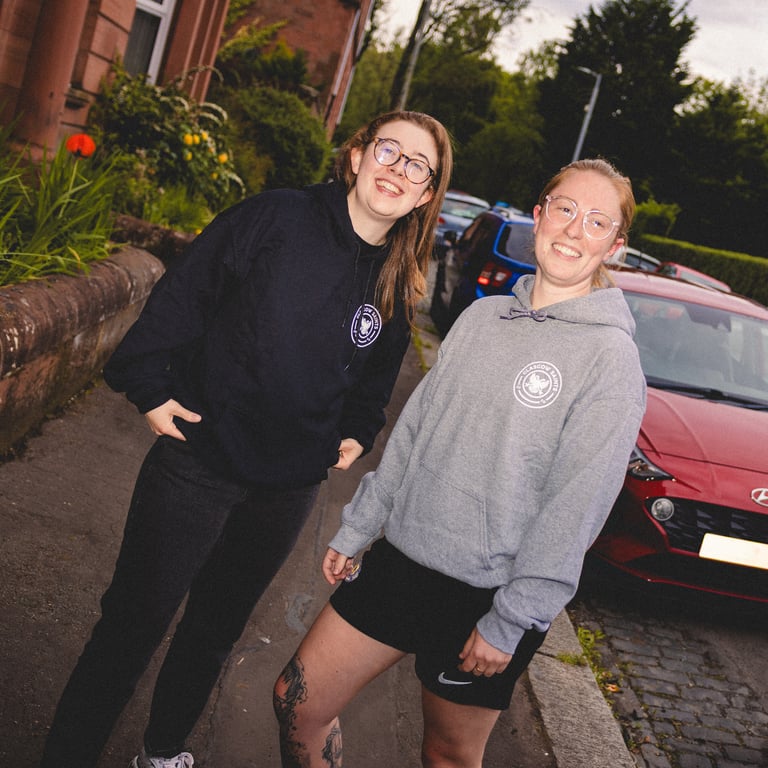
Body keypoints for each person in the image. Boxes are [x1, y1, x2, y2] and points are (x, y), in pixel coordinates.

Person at [39, 110, 453, 768]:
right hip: (198, 462)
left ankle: (163, 751)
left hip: (285, 489)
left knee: (212, 633)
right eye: (388, 150)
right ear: (356, 156)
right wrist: (148, 384)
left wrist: (355, 429)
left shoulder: (397, 281)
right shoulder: (276, 218)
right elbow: (188, 291)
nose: (397, 169)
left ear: (428, 193)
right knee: (133, 624)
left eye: (416, 165)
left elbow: (376, 375)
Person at [273, 158, 647, 767]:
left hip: (486, 594)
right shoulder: (481, 318)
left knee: (447, 754)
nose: (576, 229)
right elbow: (417, 431)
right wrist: (363, 523)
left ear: (616, 246)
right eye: (566, 209)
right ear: (539, 216)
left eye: (598, 221)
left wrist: (515, 618)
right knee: (298, 699)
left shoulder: (610, 360)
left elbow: (577, 504)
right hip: (403, 558)